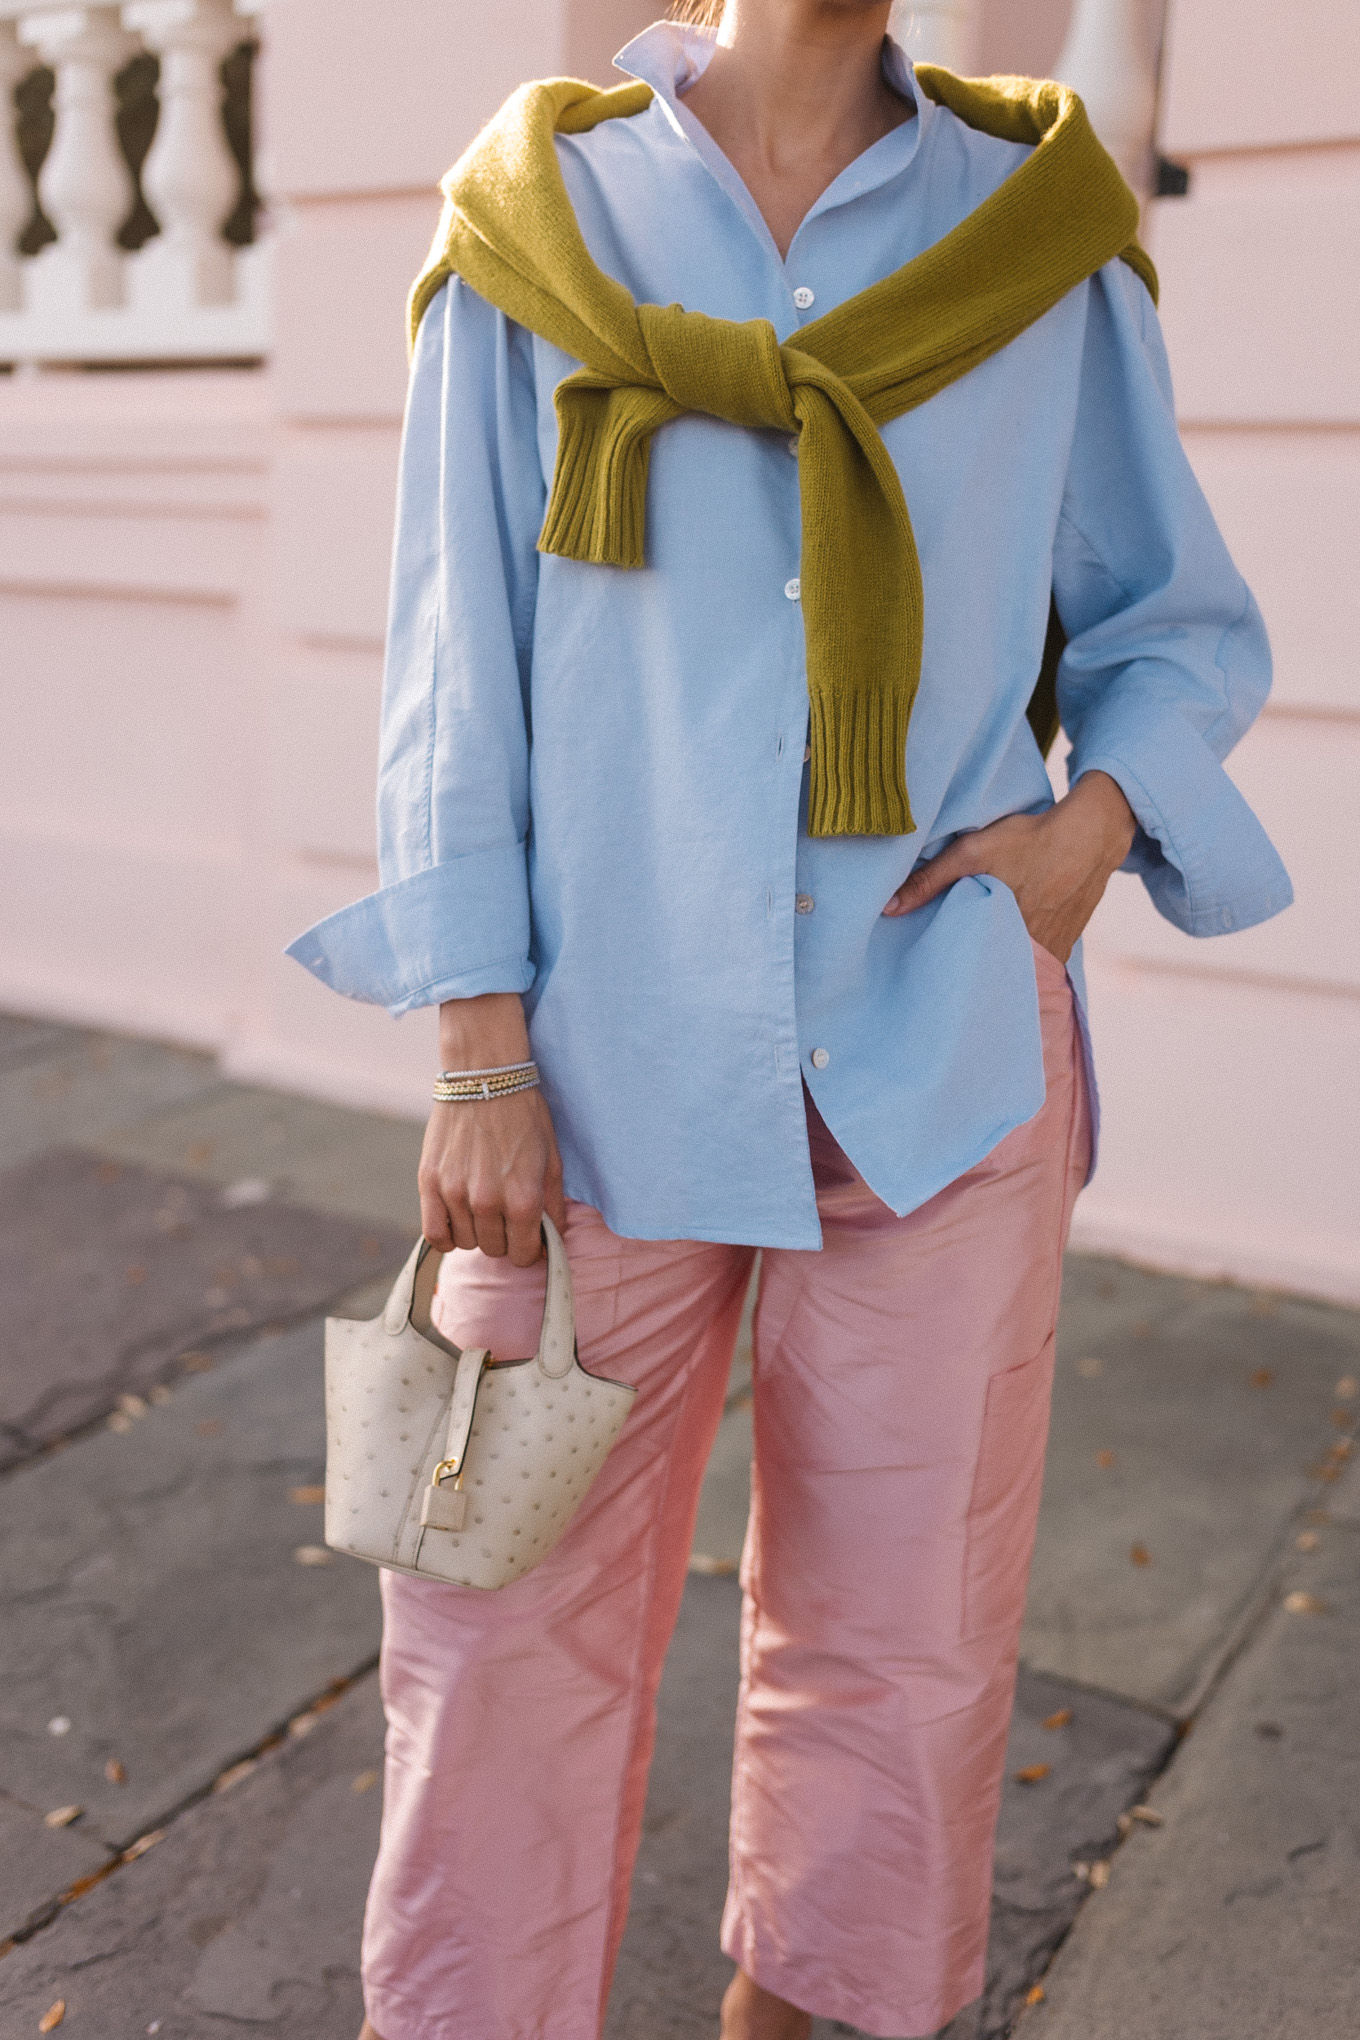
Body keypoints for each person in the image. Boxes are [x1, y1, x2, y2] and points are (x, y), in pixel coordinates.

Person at [287, 3, 1291, 2035]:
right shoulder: (538, 213)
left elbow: (1166, 624)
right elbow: (449, 664)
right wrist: (475, 1048)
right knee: (494, 1629)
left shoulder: (1034, 226)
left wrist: (1091, 827)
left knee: (901, 1639)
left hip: (931, 1049)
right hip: (584, 1068)